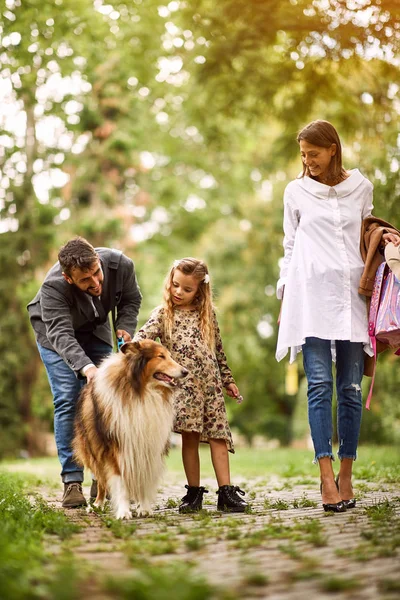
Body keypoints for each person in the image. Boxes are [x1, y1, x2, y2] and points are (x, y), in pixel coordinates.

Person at [275, 120, 398, 512]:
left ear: (332, 150)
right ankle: (325, 477)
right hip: (308, 296)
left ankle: (346, 473)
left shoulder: (360, 187)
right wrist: (283, 296)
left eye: (314, 153)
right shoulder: (295, 191)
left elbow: (366, 233)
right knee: (318, 385)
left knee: (349, 388)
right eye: (303, 155)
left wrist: (387, 238)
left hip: (351, 296)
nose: (308, 161)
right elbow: (290, 246)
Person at [27, 237, 142, 508]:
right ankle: (72, 480)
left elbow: (131, 299)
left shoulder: (121, 265)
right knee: (68, 398)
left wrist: (125, 327)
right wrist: (87, 368)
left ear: (99, 261)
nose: (95, 283)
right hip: (55, 336)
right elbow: (61, 334)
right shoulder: (53, 287)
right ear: (69, 279)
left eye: (96, 273)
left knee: (108, 401)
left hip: (95, 329)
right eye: (85, 280)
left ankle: (102, 478)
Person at [134, 258, 248, 513]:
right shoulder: (163, 314)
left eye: (187, 289)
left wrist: (228, 379)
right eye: (175, 285)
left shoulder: (207, 314)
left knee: (219, 437)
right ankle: (194, 492)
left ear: (200, 290)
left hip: (211, 387)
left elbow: (219, 351)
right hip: (183, 389)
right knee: (190, 438)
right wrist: (129, 345)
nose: (178, 292)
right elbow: (143, 338)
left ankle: (226, 492)